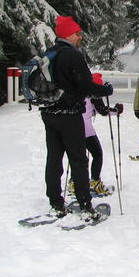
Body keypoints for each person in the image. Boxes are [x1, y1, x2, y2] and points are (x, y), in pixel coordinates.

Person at [41, 15, 113, 220]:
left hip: (49, 113)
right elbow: (85, 85)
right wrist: (104, 89)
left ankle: (55, 201)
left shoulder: (50, 54)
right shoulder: (72, 55)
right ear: (67, 34)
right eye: (77, 33)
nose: (80, 36)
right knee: (79, 159)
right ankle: (84, 204)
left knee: (54, 158)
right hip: (69, 114)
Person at [67, 73, 123, 197]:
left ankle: (74, 182)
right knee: (97, 154)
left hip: (71, 128)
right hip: (86, 130)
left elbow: (98, 109)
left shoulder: (79, 90)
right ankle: (94, 181)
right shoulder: (94, 94)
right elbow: (103, 111)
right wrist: (116, 110)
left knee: (78, 157)